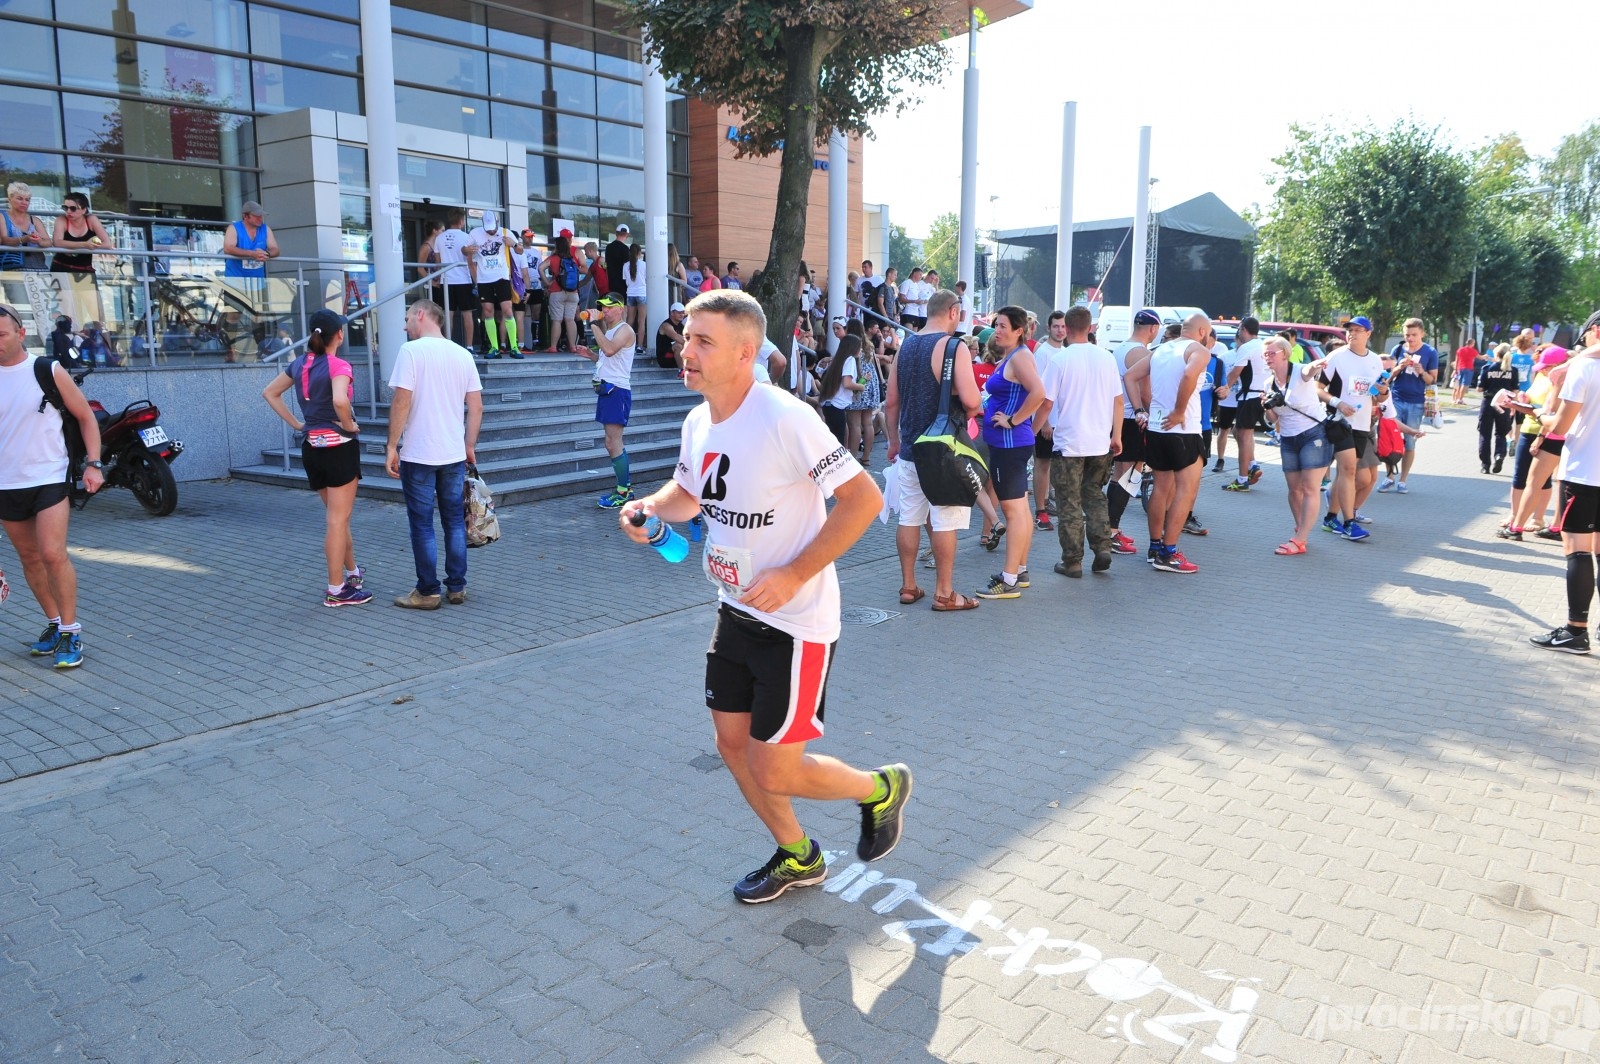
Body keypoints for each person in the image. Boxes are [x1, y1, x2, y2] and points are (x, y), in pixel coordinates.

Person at [617, 288, 906, 904]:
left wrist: (797, 572)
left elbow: (865, 501)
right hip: (736, 609)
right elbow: (689, 495)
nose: (684, 350)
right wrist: (648, 506)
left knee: (777, 765)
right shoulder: (700, 420)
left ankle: (879, 789)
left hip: (796, 622)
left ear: (746, 352)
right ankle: (798, 855)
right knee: (731, 745)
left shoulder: (784, 417)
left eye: (702, 342)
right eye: (686, 337)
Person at [0, 302, 105, 668]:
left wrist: (94, 464)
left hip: (48, 476)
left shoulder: (46, 369)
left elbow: (86, 418)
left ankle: (72, 631)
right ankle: (54, 624)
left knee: (51, 554)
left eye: (1, 335)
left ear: (19, 333)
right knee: (28, 558)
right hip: (4, 483)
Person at [261, 309, 370, 608]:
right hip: (338, 447)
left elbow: (269, 393)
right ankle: (336, 590)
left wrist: (298, 425)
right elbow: (339, 400)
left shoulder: (299, 364)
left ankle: (352, 573)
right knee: (337, 520)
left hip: (312, 447)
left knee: (338, 518)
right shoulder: (339, 364)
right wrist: (349, 425)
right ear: (339, 334)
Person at [886, 289, 982, 611]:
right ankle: (945, 593)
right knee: (944, 520)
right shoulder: (954, 347)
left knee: (910, 517)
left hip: (911, 449)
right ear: (953, 312)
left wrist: (895, 442)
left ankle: (909, 585)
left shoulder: (906, 346)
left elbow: (892, 402)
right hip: (943, 450)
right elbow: (971, 401)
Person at [385, 299, 483, 609]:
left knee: (422, 524)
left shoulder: (411, 352)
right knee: (454, 521)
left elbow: (402, 401)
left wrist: (391, 445)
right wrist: (469, 445)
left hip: (419, 453)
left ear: (421, 314)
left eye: (406, 318)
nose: (404, 326)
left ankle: (427, 591)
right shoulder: (462, 354)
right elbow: (476, 407)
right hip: (453, 453)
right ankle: (456, 587)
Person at [1529, 310, 1600, 654]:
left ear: (1595, 332)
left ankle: (1576, 630)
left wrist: (1537, 412)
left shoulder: (1584, 369)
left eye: (1585, 333)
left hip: (1585, 472)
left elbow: (1560, 425)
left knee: (1578, 551)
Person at [1123, 313, 1209, 573]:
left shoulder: (1161, 349)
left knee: (1161, 488)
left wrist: (1140, 410)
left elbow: (1128, 376)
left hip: (1157, 428)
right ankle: (1169, 553)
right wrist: (1180, 410)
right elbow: (1189, 375)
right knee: (1186, 490)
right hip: (1183, 429)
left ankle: (1155, 547)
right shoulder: (1198, 350)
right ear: (1203, 331)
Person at [1039, 305, 1120, 578]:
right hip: (1100, 441)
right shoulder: (1106, 358)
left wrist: (1030, 430)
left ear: (1068, 329)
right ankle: (1103, 547)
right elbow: (1117, 400)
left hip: (1069, 443)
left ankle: (1072, 561)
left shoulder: (1060, 360)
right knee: (1095, 496)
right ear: (1090, 327)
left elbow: (1046, 402)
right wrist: (1116, 435)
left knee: (1069, 502)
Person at [972, 306, 1045, 599]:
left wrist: (1013, 420)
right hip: (1010, 443)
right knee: (1021, 511)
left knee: (1013, 513)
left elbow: (1040, 393)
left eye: (1003, 326)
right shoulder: (1013, 356)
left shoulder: (1021, 357)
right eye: (996, 325)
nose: (997, 330)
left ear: (1019, 331)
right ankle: (1020, 570)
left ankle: (1010, 580)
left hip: (1009, 443)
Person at [1260, 337, 1332, 556]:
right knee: (1294, 490)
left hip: (1313, 434)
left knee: (1310, 488)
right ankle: (1301, 528)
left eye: (1271, 353)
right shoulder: (1267, 384)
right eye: (1265, 354)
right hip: (1289, 438)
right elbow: (1273, 419)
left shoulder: (1299, 370)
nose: (1268, 358)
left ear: (1284, 353)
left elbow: (1308, 371)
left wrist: (1316, 365)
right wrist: (1266, 406)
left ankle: (1299, 539)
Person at [1319, 316, 1382, 541]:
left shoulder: (1375, 360)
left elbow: (1375, 393)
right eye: (1349, 330)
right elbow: (1317, 388)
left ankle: (1329, 518)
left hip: (1362, 424)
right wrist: (1338, 403)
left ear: (1368, 334)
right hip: (1339, 421)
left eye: (1357, 330)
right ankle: (1349, 523)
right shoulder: (1336, 357)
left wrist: (1381, 392)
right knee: (1348, 471)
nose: (1352, 334)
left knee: (1345, 473)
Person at [1106, 309, 1162, 556]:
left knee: (1120, 476)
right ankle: (1110, 532)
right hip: (1133, 419)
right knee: (1130, 477)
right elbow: (1146, 390)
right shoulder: (1141, 353)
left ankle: (1111, 529)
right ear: (1153, 328)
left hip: (1120, 417)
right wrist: (1151, 414)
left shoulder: (1120, 348)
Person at [575, 293, 636, 508]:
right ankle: (624, 488)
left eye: (610, 307)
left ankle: (624, 491)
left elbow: (609, 350)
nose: (605, 310)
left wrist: (593, 324)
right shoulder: (610, 330)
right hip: (608, 391)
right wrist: (591, 355)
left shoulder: (625, 330)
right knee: (612, 443)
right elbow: (607, 356)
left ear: (620, 308)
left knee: (613, 443)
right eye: (603, 307)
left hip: (617, 391)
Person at [1386, 317, 1438, 493]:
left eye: (1414, 335)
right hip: (1396, 399)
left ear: (1422, 333)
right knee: (1391, 440)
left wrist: (1421, 371)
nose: (1410, 339)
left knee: (1409, 442)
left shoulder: (1430, 352)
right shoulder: (1398, 348)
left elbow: (1432, 380)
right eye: (1407, 335)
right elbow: (1388, 376)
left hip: (1416, 402)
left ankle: (1403, 480)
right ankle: (1389, 477)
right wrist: (1398, 367)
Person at [1030, 311, 1069, 531]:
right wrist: (1043, 422)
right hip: (1045, 420)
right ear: (1049, 328)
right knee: (1042, 465)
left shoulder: (1065, 353)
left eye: (1063, 326)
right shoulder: (1042, 353)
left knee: (1057, 467)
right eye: (1056, 326)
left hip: (1062, 422)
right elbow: (1038, 390)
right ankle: (1040, 511)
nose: (1060, 330)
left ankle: (1052, 505)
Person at [1221, 317, 1266, 491]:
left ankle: (1242, 479)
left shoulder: (1246, 347)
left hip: (1249, 396)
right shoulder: (1263, 345)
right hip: (1260, 395)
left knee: (1245, 435)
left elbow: (1235, 373)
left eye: (1239, 329)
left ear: (1243, 329)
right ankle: (1252, 465)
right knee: (1237, 431)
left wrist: (1225, 389)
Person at [466, 212, 517, 358]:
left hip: (501, 277)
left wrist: (512, 244)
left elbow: (520, 250)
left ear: (497, 222)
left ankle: (514, 346)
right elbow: (465, 251)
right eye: (488, 229)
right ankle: (494, 347)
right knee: (488, 311)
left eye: (493, 228)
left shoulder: (505, 232)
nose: (491, 231)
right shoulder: (475, 233)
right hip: (484, 279)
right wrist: (467, 250)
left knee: (507, 310)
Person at [222, 200, 279, 310]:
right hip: (235, 280)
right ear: (245, 216)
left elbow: (275, 249)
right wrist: (252, 254)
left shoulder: (265, 229)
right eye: (256, 216)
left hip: (258, 281)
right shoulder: (234, 228)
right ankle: (228, 327)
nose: (260, 218)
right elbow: (228, 248)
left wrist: (266, 254)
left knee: (260, 314)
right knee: (234, 314)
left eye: (261, 216)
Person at [1475, 346, 1520, 474]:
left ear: (1497, 354)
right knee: (1501, 433)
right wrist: (1513, 406)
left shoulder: (1487, 368)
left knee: (1485, 434)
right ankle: (1499, 455)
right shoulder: (1513, 370)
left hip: (1488, 403)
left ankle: (1485, 465)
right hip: (1504, 404)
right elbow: (1515, 391)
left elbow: (1479, 388)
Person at [434, 210, 475, 350]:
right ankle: (469, 346)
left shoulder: (439, 238)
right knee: (467, 314)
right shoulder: (466, 237)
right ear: (461, 221)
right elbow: (471, 261)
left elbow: (438, 262)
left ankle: (447, 346)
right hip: (464, 280)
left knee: (447, 315)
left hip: (446, 281)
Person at [542, 230, 586, 355]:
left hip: (557, 291)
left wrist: (547, 282)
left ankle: (553, 347)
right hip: (573, 292)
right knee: (570, 320)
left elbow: (541, 268)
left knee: (557, 320)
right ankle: (573, 346)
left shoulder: (554, 257)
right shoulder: (574, 256)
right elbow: (584, 270)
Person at [49, 193, 112, 276]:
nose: (68, 212)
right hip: (61, 267)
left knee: (90, 290)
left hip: (84, 270)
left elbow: (107, 244)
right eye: (65, 208)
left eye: (73, 209)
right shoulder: (61, 220)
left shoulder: (91, 220)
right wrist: (85, 245)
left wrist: (89, 245)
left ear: (84, 210)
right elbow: (57, 242)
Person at [816, 333, 862, 444]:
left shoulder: (837, 360)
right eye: (859, 347)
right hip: (836, 405)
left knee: (833, 439)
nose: (861, 350)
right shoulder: (850, 360)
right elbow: (847, 383)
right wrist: (861, 386)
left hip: (829, 404)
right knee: (838, 441)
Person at [1, 182, 49, 271]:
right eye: (20, 199)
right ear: (10, 199)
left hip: (39, 266)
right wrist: (25, 238)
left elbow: (48, 242)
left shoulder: (35, 220)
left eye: (27, 200)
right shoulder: (2, 217)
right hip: (13, 267)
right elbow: (4, 240)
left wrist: (39, 240)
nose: (24, 203)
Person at [622, 242, 647, 355]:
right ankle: (640, 346)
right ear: (639, 253)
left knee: (629, 320)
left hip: (630, 293)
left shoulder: (625, 265)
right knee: (641, 321)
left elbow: (625, 280)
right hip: (642, 293)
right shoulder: (644, 265)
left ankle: (625, 344)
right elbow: (647, 279)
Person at [656, 300, 687, 370]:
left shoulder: (681, 326)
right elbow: (676, 337)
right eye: (679, 312)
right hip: (665, 359)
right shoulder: (666, 326)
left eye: (683, 312)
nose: (682, 315)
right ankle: (681, 371)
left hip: (676, 357)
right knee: (678, 345)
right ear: (672, 313)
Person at [603, 223, 631, 296]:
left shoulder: (609, 247)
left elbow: (606, 264)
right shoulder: (625, 249)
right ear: (627, 235)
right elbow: (627, 267)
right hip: (623, 283)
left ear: (616, 233)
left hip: (611, 281)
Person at [1453, 337, 1480, 405]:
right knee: (1464, 384)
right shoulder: (1473, 351)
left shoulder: (1460, 350)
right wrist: (1486, 356)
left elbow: (1456, 360)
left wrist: (1455, 369)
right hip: (1468, 368)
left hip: (1460, 368)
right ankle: (1460, 399)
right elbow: (1479, 357)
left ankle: (1456, 399)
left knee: (1459, 384)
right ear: (1472, 344)